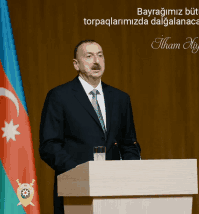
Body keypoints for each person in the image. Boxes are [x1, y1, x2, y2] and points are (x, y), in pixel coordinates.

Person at [39, 40, 141, 214]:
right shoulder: (59, 96)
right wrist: (81, 174)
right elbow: (49, 145)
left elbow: (129, 143)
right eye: (89, 56)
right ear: (76, 64)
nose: (96, 61)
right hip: (75, 190)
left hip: (115, 192)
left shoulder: (120, 98)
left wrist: (129, 173)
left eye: (100, 55)